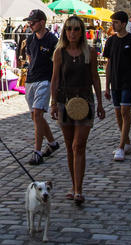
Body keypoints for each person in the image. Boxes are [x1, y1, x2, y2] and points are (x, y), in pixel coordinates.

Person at [50, 15, 105, 205]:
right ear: (65, 32)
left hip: (84, 102)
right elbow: (55, 79)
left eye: (76, 29)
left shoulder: (89, 52)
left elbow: (95, 78)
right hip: (65, 102)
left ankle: (79, 190)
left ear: (82, 32)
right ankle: (73, 186)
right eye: (69, 29)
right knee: (69, 147)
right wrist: (53, 102)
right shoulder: (59, 53)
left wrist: (99, 101)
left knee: (78, 145)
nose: (72, 32)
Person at [103, 11, 131, 162]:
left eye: (116, 22)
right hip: (115, 81)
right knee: (118, 113)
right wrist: (106, 86)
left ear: (123, 24)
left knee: (125, 111)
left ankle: (120, 146)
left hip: (129, 80)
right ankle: (126, 142)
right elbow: (108, 64)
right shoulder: (111, 41)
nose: (113, 25)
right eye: (112, 22)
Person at [22, 9, 60, 165]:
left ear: (42, 22)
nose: (30, 25)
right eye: (29, 22)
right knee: (35, 116)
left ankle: (37, 152)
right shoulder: (30, 40)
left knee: (37, 114)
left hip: (45, 80)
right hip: (31, 80)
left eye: (33, 22)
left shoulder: (52, 41)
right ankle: (52, 143)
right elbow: (30, 58)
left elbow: (57, 63)